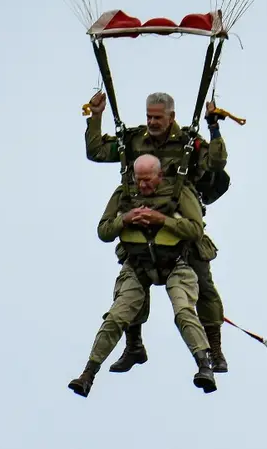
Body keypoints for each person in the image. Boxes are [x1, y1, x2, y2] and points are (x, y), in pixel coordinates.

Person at [83, 91, 230, 373]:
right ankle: (134, 347)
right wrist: (96, 117)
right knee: (130, 287)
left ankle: (215, 350)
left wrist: (214, 127)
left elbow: (217, 163)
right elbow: (97, 152)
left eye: (157, 117)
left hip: (180, 226)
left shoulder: (189, 143)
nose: (151, 122)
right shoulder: (135, 141)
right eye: (149, 116)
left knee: (205, 290)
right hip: (139, 226)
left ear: (171, 117)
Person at [68, 154, 217, 397]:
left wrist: (163, 220)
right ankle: (88, 374)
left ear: (159, 176)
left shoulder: (179, 192)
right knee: (116, 316)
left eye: (148, 180)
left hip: (176, 262)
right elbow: (104, 231)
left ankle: (204, 365)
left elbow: (195, 230)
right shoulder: (124, 194)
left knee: (184, 311)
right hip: (137, 264)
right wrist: (124, 220)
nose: (143, 185)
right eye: (139, 180)